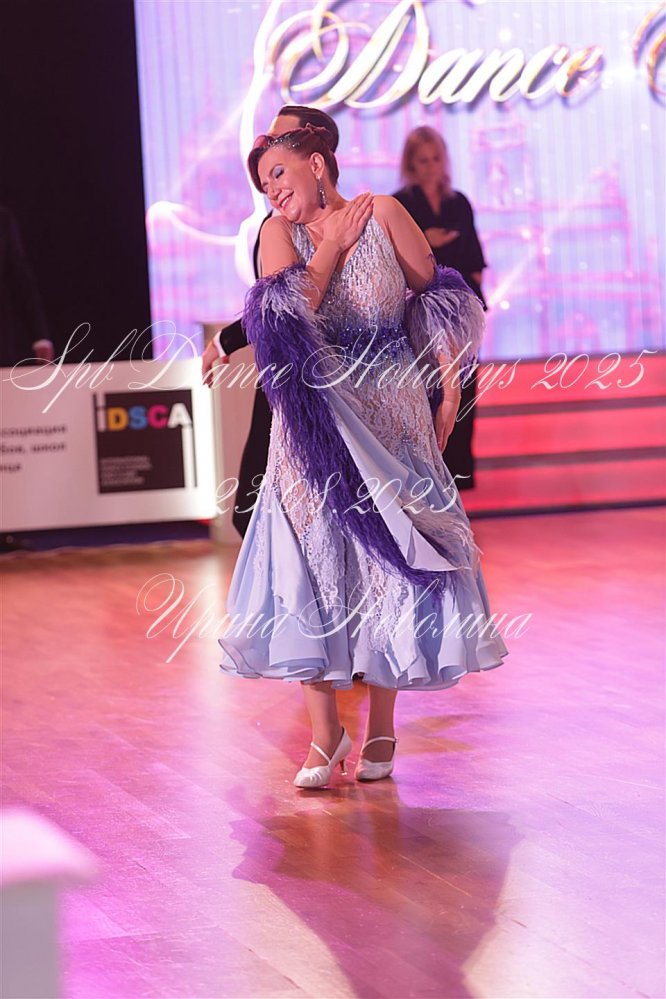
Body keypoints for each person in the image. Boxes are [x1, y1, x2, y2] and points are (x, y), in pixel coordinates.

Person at [218, 116, 508, 789]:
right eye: (263, 184)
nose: (271, 191)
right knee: (312, 565)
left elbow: (439, 301)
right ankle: (326, 734)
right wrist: (328, 248)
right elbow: (286, 318)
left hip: (392, 412)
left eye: (279, 173)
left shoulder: (387, 213)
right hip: (314, 420)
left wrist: (449, 390)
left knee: (391, 566)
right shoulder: (278, 234)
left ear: (318, 163)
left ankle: (381, 726)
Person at [201, 106, 339, 538]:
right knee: (254, 510)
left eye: (280, 139)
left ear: (315, 155)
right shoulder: (276, 225)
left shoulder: (354, 220)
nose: (267, 144)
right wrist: (225, 339)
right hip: (285, 371)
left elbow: (292, 303)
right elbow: (275, 302)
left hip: (328, 377)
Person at [393, 126, 487, 490]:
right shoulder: (399, 205)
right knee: (426, 394)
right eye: (423, 160)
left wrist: (472, 309)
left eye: (436, 159)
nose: (431, 167)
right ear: (410, 164)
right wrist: (425, 242)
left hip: (460, 313)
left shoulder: (458, 203)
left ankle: (459, 474)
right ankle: (427, 476)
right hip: (418, 318)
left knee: (463, 391)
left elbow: (475, 259)